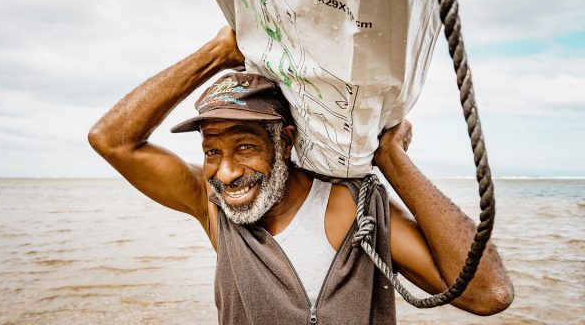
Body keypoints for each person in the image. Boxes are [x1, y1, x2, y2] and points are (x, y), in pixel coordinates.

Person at [88, 26, 513, 324]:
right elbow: (110, 140)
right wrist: (215, 55)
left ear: (285, 141)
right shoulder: (211, 205)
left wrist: (391, 158)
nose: (227, 171)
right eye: (212, 151)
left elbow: (488, 294)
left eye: (245, 146)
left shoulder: (354, 209)